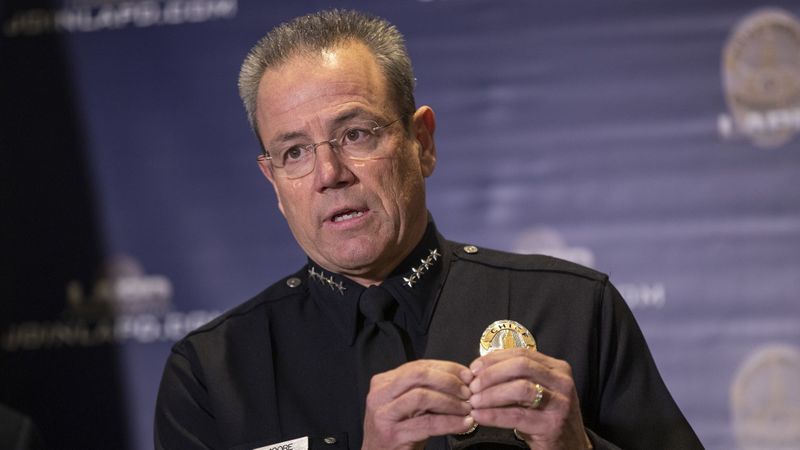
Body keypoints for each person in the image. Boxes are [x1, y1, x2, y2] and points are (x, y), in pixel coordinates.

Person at [155, 9, 702, 450]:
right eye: (294, 151)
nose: (330, 175)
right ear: (273, 182)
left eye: (356, 134)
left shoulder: (576, 309)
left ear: (422, 143)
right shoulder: (211, 375)